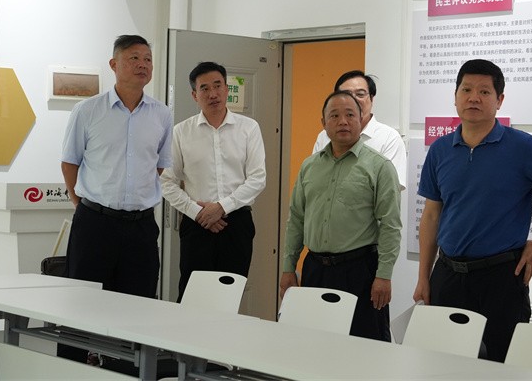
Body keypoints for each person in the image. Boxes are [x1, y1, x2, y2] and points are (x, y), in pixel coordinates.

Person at [414, 58, 532, 362]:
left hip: (501, 278)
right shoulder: (439, 150)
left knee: (503, 365)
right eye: (466, 90)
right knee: (441, 363)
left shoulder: (523, 147)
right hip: (447, 276)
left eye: (484, 91)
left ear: (499, 100)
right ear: (455, 96)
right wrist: (424, 276)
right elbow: (432, 215)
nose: (474, 98)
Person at [59, 34, 173, 365]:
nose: (143, 65)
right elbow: (70, 162)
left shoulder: (161, 114)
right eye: (134, 58)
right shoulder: (87, 110)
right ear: (114, 64)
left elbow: (159, 165)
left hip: (140, 227)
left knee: (137, 308)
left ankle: (126, 370)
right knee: (80, 304)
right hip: (94, 223)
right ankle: (70, 371)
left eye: (147, 59)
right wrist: (80, 204)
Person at [281, 90, 402, 341]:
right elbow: (297, 219)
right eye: (334, 116)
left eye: (350, 115)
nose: (343, 122)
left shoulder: (379, 167)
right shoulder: (309, 166)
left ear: (361, 120)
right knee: (314, 343)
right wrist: (288, 268)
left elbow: (390, 225)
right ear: (323, 123)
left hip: (360, 271)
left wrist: (384, 275)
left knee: (364, 345)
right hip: (315, 269)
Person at [161, 61, 266, 300]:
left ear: (227, 89)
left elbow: (258, 178)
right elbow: (166, 181)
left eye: (218, 86)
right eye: (205, 88)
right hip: (196, 224)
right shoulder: (181, 132)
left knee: (229, 296)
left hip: (236, 224)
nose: (213, 94)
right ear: (194, 95)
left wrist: (221, 207)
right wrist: (196, 212)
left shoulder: (248, 128)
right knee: (192, 296)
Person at [312, 70, 407, 189]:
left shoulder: (389, 138)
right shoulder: (325, 135)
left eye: (360, 94)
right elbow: (314, 178)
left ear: (371, 99)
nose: (353, 100)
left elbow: (390, 190)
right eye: (346, 95)